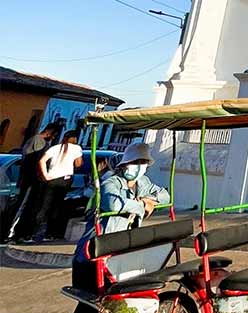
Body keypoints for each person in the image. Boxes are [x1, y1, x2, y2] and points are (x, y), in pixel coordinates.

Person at [71, 143, 170, 291]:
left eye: (142, 162)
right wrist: (142, 205)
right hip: (95, 251)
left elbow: (165, 196)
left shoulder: (143, 183)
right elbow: (114, 204)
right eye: (135, 162)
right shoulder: (111, 182)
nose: (138, 166)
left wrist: (150, 200)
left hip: (120, 252)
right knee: (91, 298)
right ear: (124, 164)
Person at [6, 123, 57, 241]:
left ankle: (15, 232)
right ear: (49, 132)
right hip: (30, 180)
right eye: (53, 135)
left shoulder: (38, 141)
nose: (53, 138)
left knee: (25, 206)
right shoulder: (38, 141)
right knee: (21, 206)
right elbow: (32, 161)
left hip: (30, 179)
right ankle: (10, 233)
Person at [33, 131, 84, 242]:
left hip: (51, 178)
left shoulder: (55, 148)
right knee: (56, 207)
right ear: (74, 139)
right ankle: (50, 233)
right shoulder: (76, 148)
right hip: (64, 179)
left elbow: (42, 161)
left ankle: (33, 232)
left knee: (44, 206)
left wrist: (45, 175)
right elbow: (78, 164)